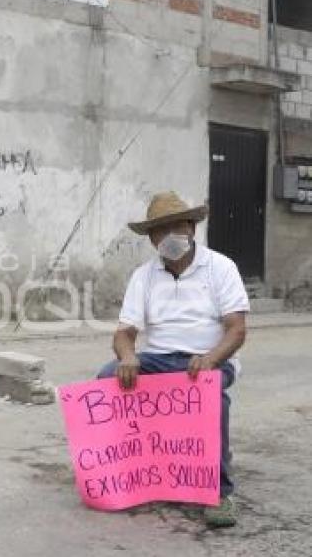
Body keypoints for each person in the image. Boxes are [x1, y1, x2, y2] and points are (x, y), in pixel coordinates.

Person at [98, 192, 249, 527]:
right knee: (107, 379)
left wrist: (210, 359)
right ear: (151, 238)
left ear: (192, 228)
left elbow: (236, 331)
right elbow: (124, 332)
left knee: (212, 398)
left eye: (176, 227)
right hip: (159, 358)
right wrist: (128, 356)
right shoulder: (144, 275)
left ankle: (220, 492)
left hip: (209, 359)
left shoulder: (221, 268)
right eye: (159, 231)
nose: (168, 236)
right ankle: (131, 474)